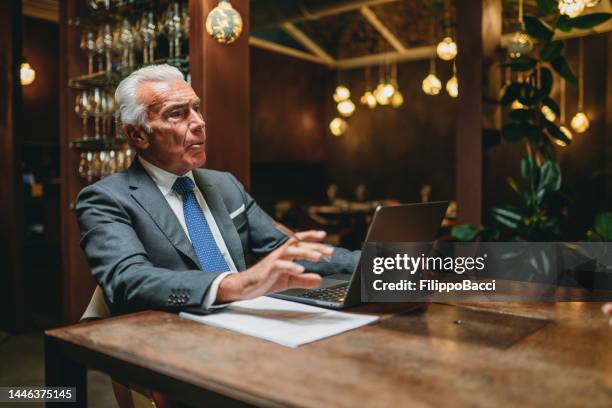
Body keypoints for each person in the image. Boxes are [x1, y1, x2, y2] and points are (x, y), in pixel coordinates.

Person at [76, 64, 359, 316]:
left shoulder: (224, 185)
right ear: (138, 134)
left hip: (244, 322)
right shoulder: (106, 199)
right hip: (169, 335)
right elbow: (129, 281)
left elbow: (283, 250)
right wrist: (239, 283)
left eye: (196, 108)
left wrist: (381, 262)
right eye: (177, 114)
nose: (199, 122)